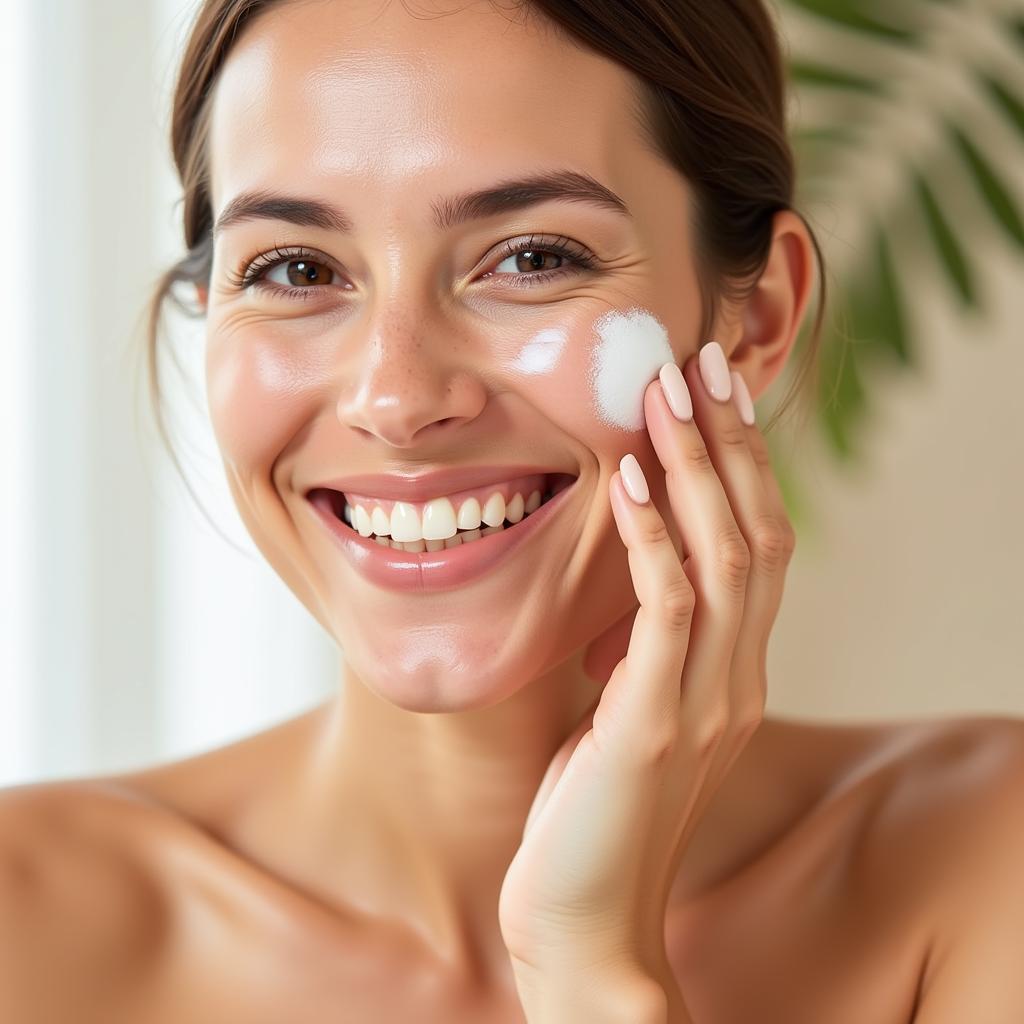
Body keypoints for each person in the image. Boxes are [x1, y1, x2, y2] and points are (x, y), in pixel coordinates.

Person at [3, 1, 1023, 1020]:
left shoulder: (985, 858)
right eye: (297, 270)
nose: (396, 399)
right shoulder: (29, 921)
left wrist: (593, 968)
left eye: (534, 259)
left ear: (754, 319)